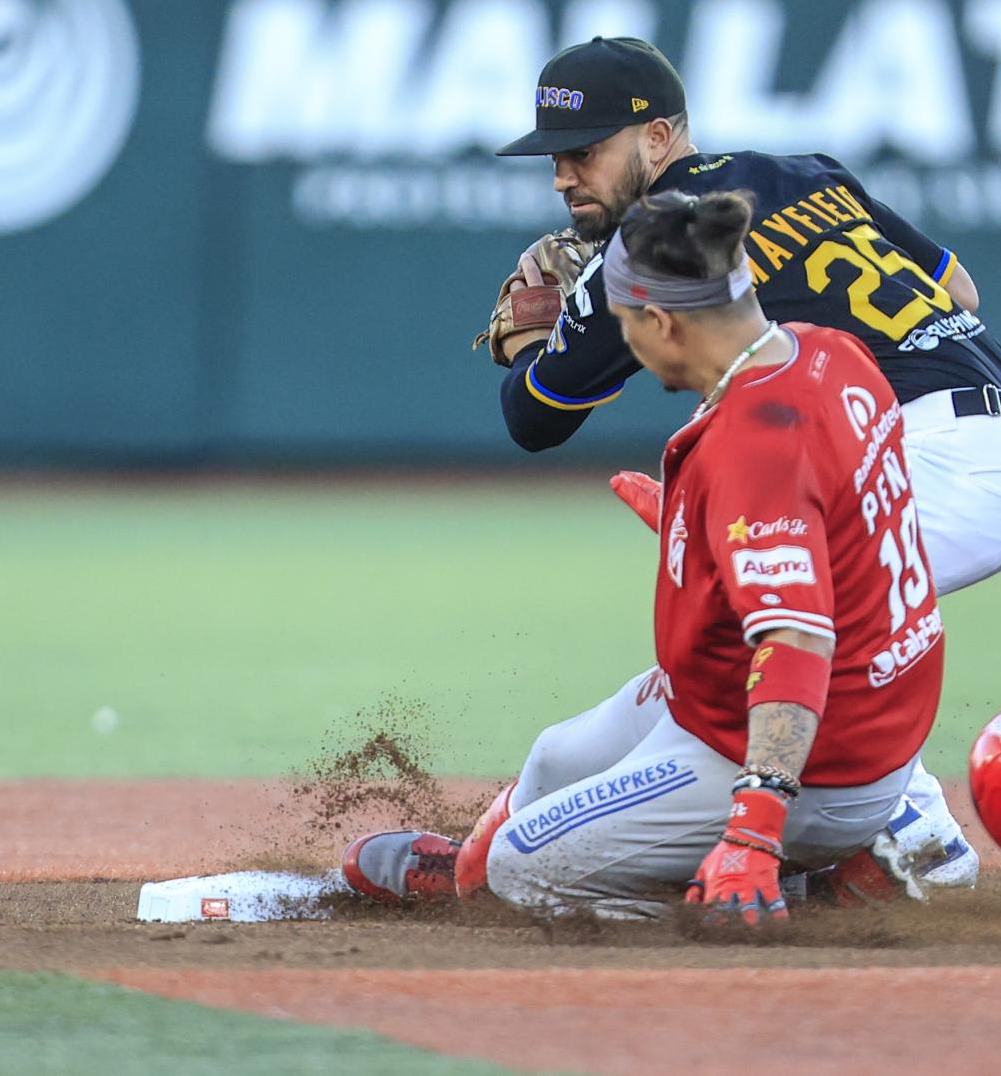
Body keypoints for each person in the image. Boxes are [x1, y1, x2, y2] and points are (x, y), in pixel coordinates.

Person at [472, 36, 1001, 887]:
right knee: (766, 616)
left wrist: (542, 333)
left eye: (583, 152)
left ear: (657, 136)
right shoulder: (804, 172)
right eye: (556, 158)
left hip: (946, 456)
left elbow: (533, 417)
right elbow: (962, 290)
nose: (564, 176)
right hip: (993, 423)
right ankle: (857, 832)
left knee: (800, 618)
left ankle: (910, 837)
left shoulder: (656, 242)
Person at [344, 191, 949, 920]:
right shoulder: (830, 350)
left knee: (523, 871)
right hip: (787, 707)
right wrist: (702, 526)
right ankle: (475, 869)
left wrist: (755, 826)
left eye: (626, 324)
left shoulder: (755, 441)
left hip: (809, 759)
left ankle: (758, 893)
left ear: (662, 321)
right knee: (555, 759)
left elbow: (795, 638)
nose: (625, 343)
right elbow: (836, 524)